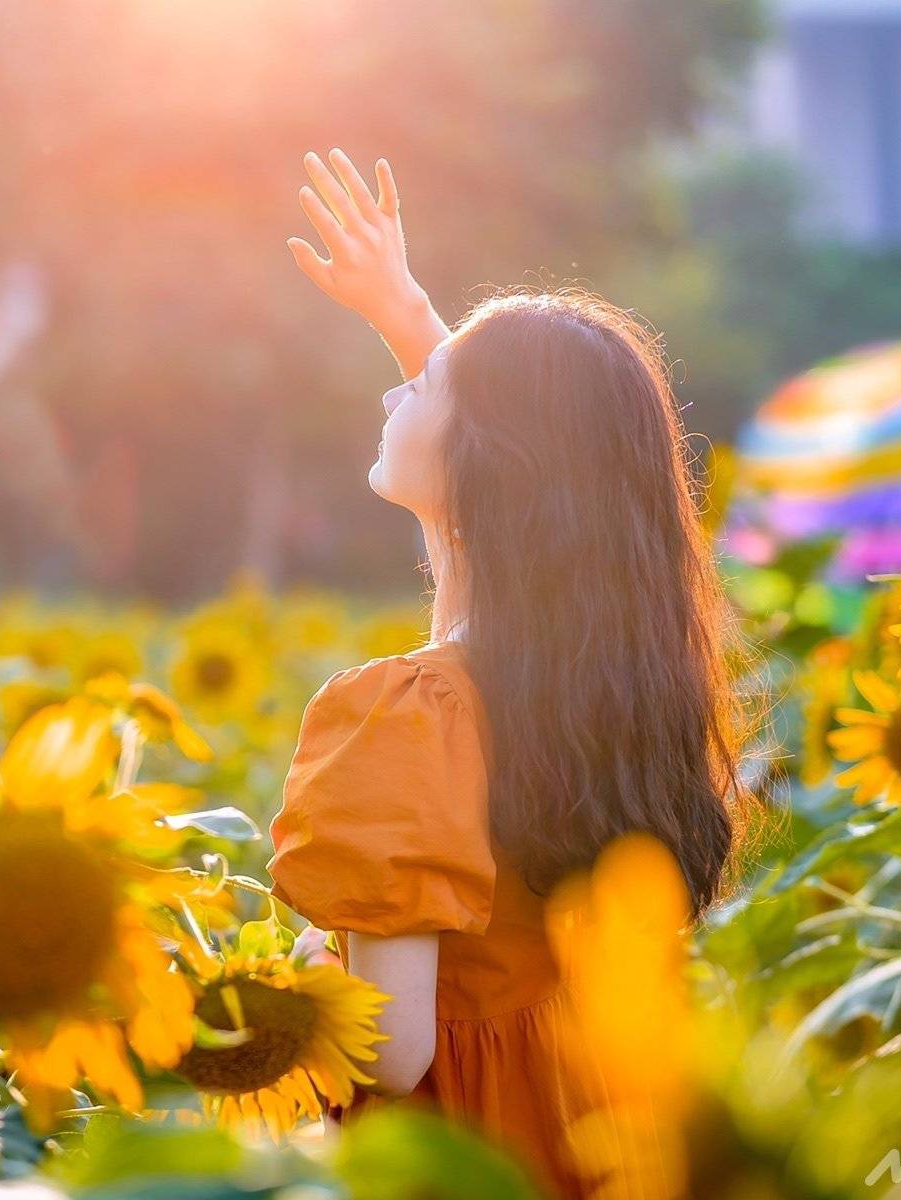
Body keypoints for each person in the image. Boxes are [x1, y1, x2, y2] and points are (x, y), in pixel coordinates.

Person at [266, 149, 750, 1197]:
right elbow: (543, 450)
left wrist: (287, 988)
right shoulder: (599, 678)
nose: (394, 397)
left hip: (454, 1163)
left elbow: (391, 1052)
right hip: (591, 1135)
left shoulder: (407, 716)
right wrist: (406, 311)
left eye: (422, 387)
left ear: (487, 461)